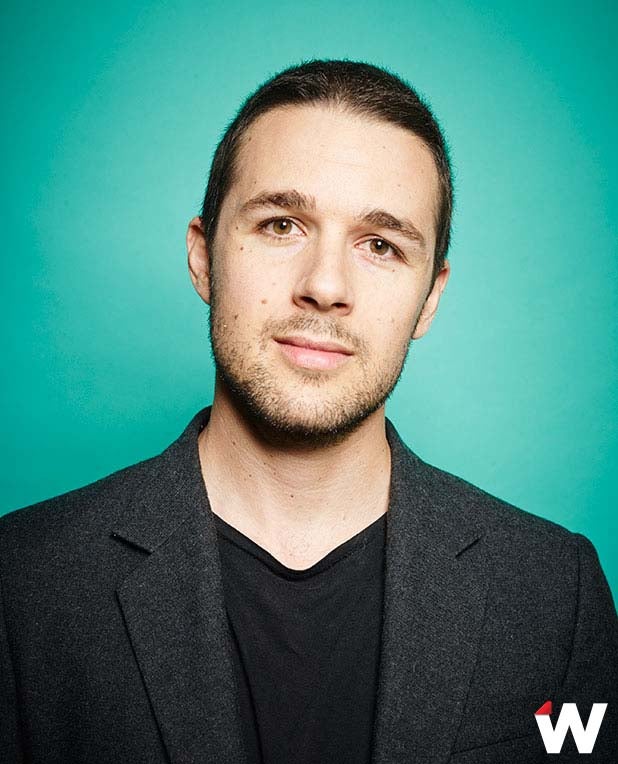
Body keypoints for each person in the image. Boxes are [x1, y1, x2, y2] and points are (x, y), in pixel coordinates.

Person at [0, 60, 616, 764]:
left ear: (430, 298)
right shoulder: (23, 584)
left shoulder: (554, 593)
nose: (325, 286)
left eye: (380, 245)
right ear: (203, 258)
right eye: (281, 224)